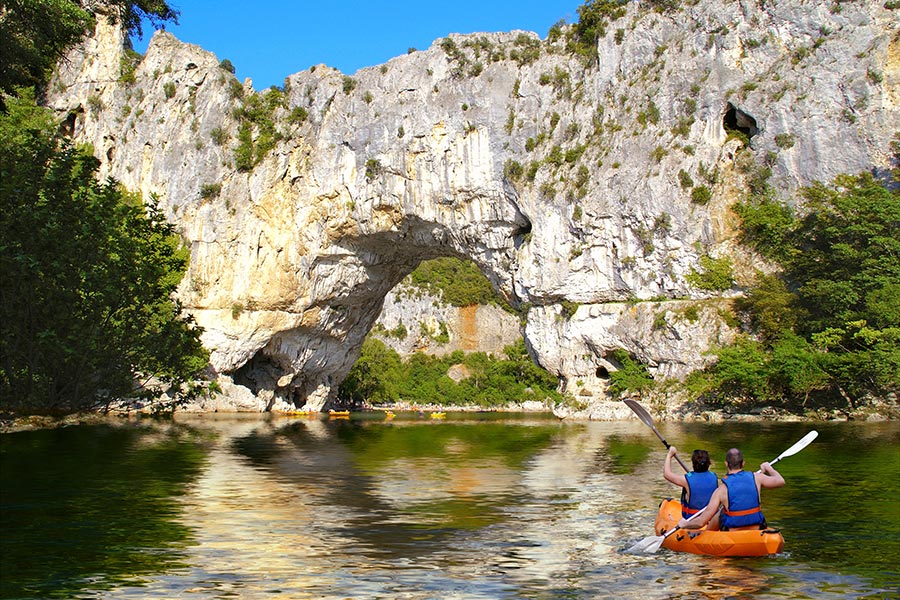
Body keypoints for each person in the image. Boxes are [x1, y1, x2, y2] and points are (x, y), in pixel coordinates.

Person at [678, 447, 785, 531]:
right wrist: (768, 468)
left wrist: (684, 524)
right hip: (757, 527)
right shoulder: (757, 477)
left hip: (733, 531)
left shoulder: (721, 490)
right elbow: (780, 481)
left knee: (720, 512)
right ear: (743, 463)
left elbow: (701, 522)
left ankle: (707, 534)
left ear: (726, 464)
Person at [663, 446, 718, 519]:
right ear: (708, 464)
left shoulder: (686, 480)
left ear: (693, 464)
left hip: (692, 520)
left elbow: (667, 474)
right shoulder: (714, 477)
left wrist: (669, 455)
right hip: (711, 519)